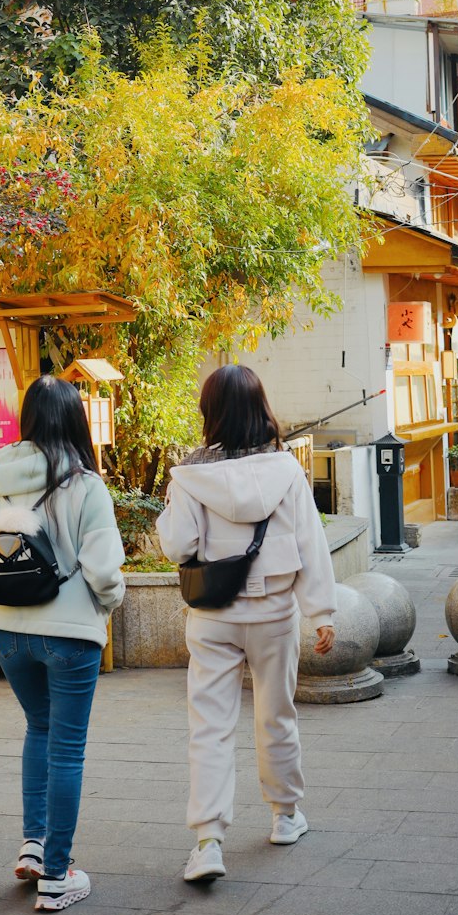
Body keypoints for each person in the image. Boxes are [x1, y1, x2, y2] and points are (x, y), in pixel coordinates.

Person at [0, 375, 125, 912]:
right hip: (69, 638)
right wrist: (104, 607)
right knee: (66, 747)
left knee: (38, 729)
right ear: (73, 421)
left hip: (9, 637)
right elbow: (105, 571)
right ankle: (59, 876)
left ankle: (35, 845)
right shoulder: (85, 484)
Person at [157, 364, 337, 885]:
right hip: (275, 612)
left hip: (213, 616)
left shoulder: (189, 475)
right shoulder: (287, 470)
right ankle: (284, 816)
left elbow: (178, 546)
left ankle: (209, 841)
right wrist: (321, 612)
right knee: (276, 716)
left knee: (210, 727)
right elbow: (311, 545)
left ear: (209, 412)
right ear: (261, 408)